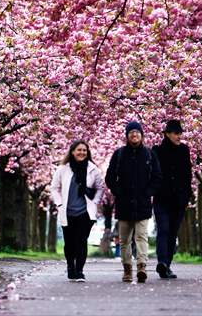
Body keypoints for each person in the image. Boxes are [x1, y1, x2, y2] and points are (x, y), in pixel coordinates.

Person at [105, 121, 162, 283]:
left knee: (141, 237)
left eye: (137, 132)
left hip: (143, 204)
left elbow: (157, 178)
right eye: (131, 133)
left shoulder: (150, 155)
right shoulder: (119, 154)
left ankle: (142, 266)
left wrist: (148, 193)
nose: (134, 135)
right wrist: (118, 192)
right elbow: (109, 178)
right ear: (127, 135)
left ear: (142, 135)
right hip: (124, 204)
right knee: (124, 240)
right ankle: (127, 269)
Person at [51, 140, 105, 282]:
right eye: (79, 150)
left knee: (81, 241)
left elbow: (100, 187)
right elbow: (54, 188)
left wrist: (95, 202)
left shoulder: (93, 169)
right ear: (72, 152)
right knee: (69, 243)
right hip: (67, 212)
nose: (82, 153)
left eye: (84, 150)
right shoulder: (63, 168)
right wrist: (59, 204)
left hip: (85, 212)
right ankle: (70, 267)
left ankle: (80, 271)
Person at [152, 119, 193, 279]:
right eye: (176, 133)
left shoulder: (184, 150)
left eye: (180, 133)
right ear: (167, 134)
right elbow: (154, 173)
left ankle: (166, 265)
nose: (179, 136)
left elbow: (188, 174)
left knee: (172, 233)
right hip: (162, 198)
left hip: (179, 200)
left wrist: (187, 194)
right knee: (163, 230)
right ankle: (162, 261)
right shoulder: (157, 150)